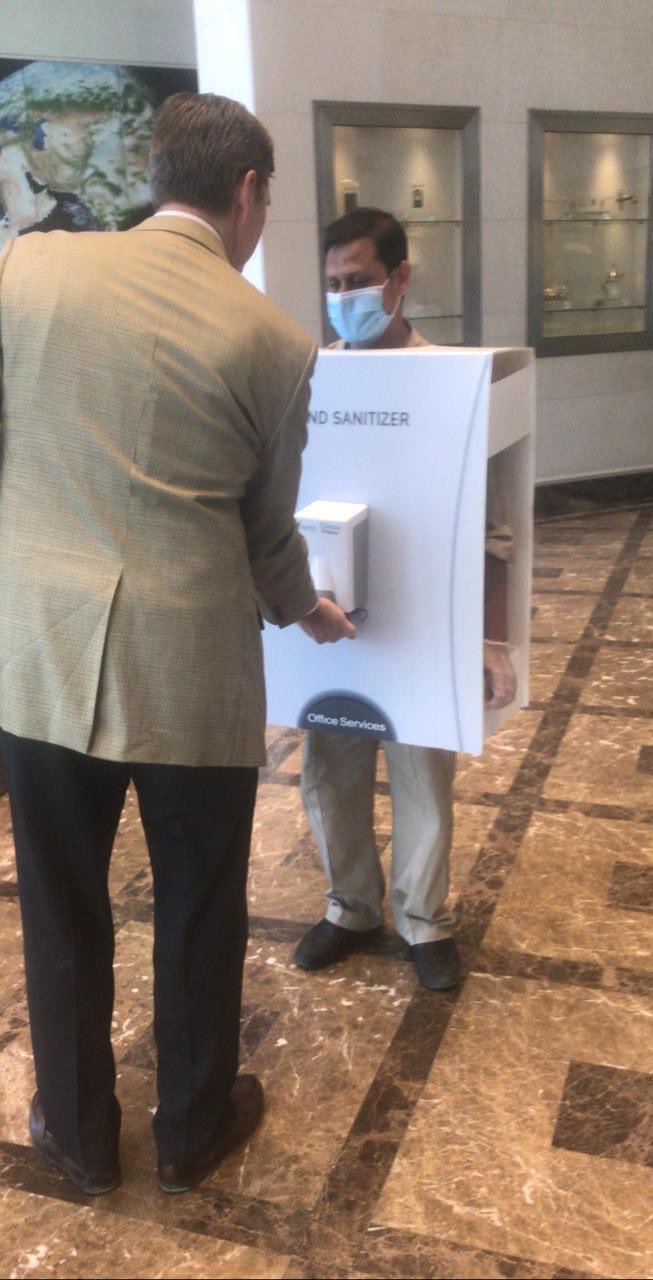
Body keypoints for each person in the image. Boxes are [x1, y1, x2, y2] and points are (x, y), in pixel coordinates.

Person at [0, 92, 353, 1198]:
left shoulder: (28, 269)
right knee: (200, 903)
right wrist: (306, 607)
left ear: (157, 173)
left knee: (60, 901)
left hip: (41, 659)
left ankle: (76, 1133)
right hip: (191, 673)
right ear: (247, 192)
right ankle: (192, 1127)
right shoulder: (276, 342)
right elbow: (265, 530)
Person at [293, 207, 516, 991]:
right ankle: (351, 905)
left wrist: (493, 640)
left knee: (423, 774)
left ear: (400, 279)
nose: (343, 298)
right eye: (332, 284)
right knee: (329, 772)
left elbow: (492, 530)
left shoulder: (449, 383)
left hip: (424, 624)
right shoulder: (310, 381)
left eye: (357, 281)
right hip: (330, 623)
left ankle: (424, 919)